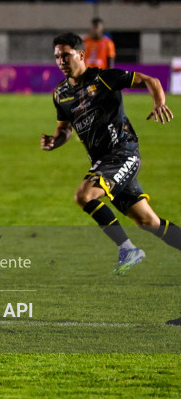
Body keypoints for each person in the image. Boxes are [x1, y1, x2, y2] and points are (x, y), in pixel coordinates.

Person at [41, 32, 181, 274]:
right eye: (57, 57)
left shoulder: (104, 78)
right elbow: (65, 131)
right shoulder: (60, 95)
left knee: (84, 195)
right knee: (149, 222)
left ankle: (128, 248)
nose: (61, 61)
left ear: (81, 55)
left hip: (123, 153)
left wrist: (159, 103)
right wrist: (55, 141)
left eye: (66, 55)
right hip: (104, 163)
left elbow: (151, 80)